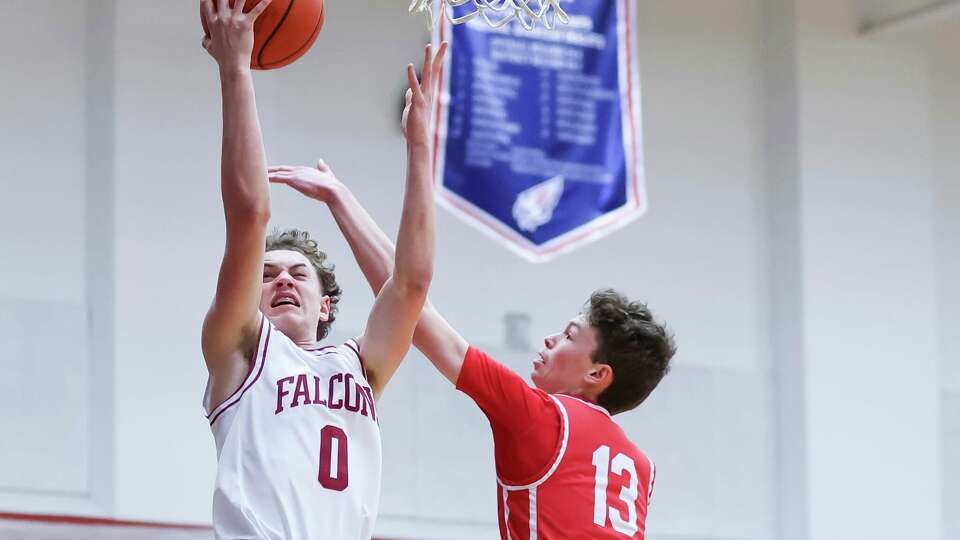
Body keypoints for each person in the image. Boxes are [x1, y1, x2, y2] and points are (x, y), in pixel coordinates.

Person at [267, 162, 677, 539]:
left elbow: (412, 306)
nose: (552, 339)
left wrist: (339, 198)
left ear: (597, 374)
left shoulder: (543, 418)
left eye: (570, 336)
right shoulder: (642, 468)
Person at [199, 0, 447, 536]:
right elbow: (248, 214)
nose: (281, 279)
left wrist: (419, 150)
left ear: (326, 303)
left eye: (297, 274)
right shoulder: (239, 351)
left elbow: (411, 284)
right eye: (266, 275)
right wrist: (235, 69)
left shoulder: (360, 364)